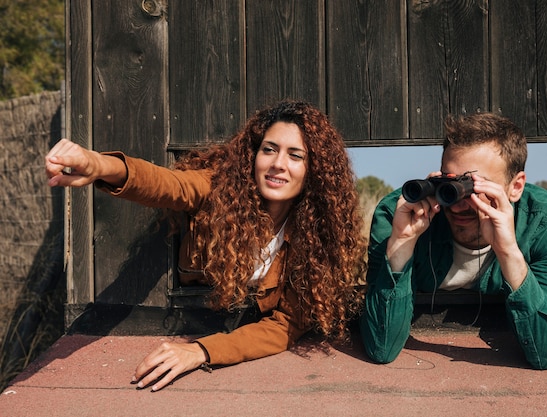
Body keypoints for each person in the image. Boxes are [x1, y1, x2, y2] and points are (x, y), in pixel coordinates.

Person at [45, 100, 367, 391]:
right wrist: (100, 165)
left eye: (295, 155)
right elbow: (164, 184)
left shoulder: (312, 239)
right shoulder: (219, 189)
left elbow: (282, 327)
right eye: (269, 149)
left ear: (313, 171)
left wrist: (201, 350)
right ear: (254, 154)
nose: (278, 163)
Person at [360, 112, 547, 370]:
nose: (457, 203)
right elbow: (381, 348)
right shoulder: (401, 213)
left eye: (474, 187)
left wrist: (507, 251)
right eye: (450, 184)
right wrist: (403, 243)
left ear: (516, 186)